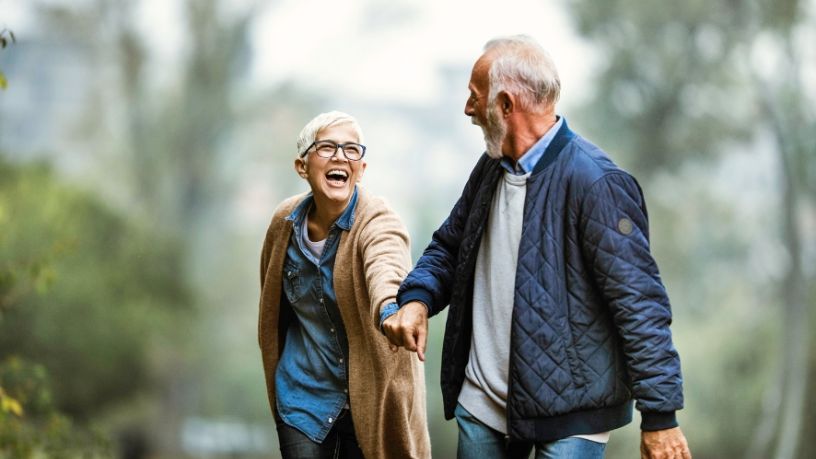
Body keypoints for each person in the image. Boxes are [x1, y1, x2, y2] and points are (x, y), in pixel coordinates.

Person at [382, 36, 692, 459]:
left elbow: (639, 305)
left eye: (475, 98)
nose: (468, 110)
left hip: (572, 418)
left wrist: (660, 418)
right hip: (482, 404)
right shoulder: (491, 167)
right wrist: (417, 299)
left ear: (506, 105)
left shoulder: (597, 183)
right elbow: (450, 247)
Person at [258, 111, 431, 459]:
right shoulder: (284, 224)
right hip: (301, 397)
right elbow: (272, 307)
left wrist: (390, 309)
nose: (340, 156)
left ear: (361, 170)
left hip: (368, 401)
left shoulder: (378, 219)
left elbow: (387, 265)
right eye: (327, 147)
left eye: (352, 150)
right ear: (302, 166)